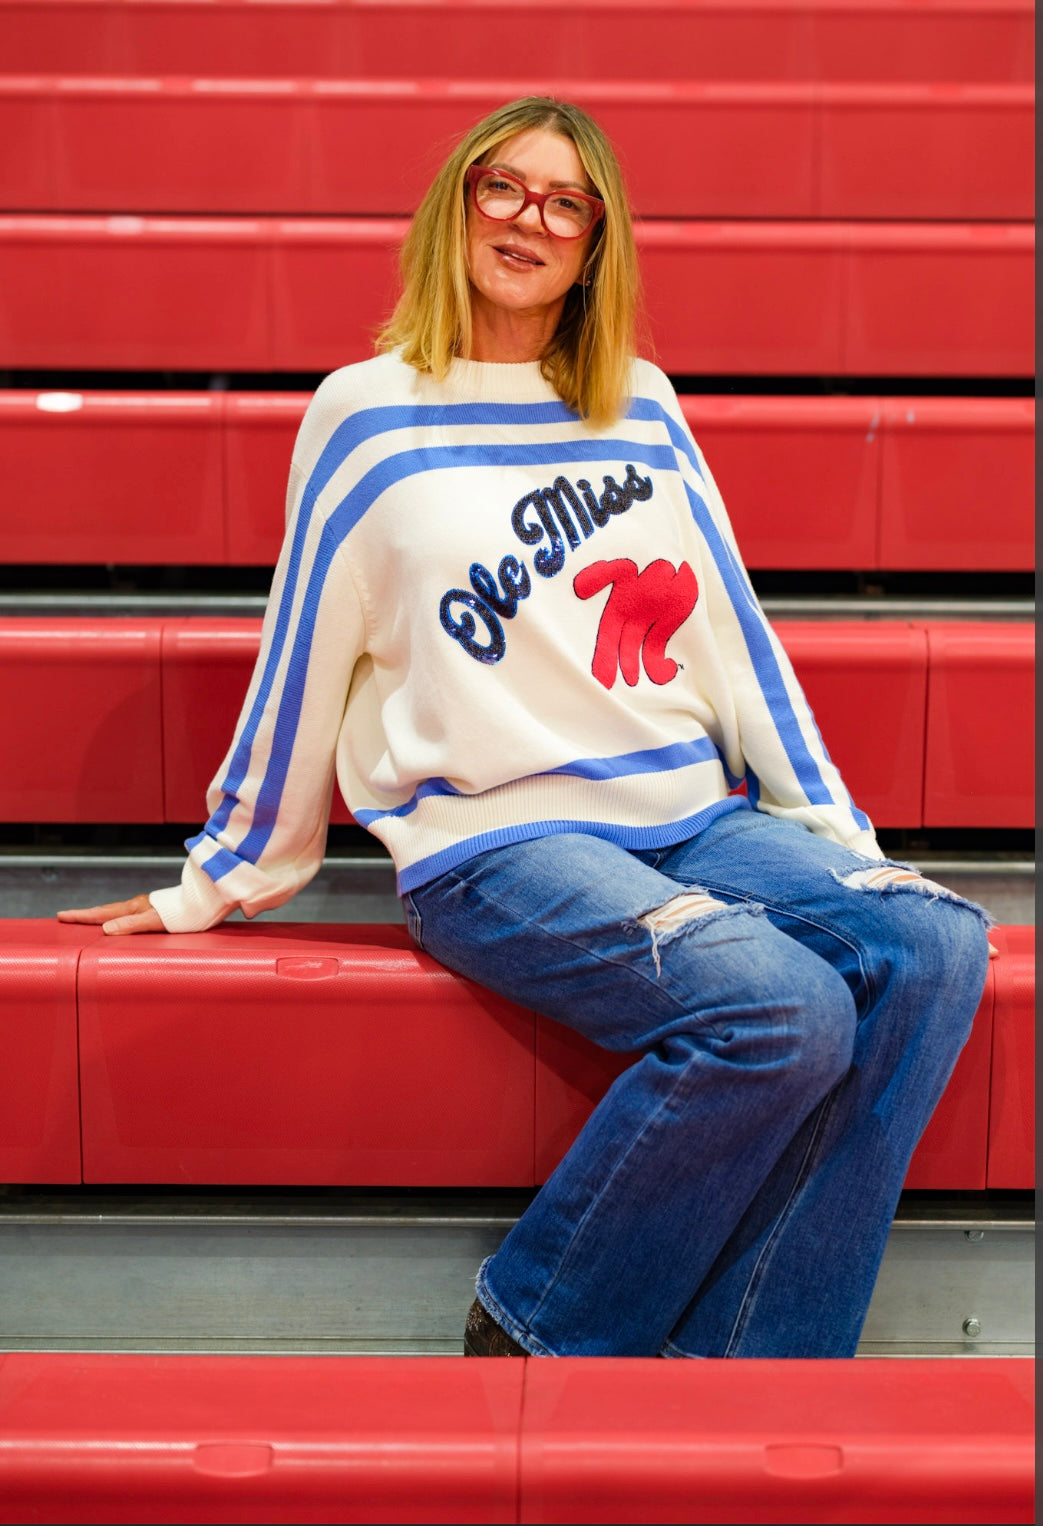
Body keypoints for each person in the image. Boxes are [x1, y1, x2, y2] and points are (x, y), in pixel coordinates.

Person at [59, 96, 993, 1360]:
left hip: (685, 813)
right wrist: (222, 871)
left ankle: (758, 1361)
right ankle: (544, 1321)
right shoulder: (364, 409)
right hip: (493, 844)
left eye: (563, 202)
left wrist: (831, 834)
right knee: (781, 1005)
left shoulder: (641, 404)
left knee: (932, 938)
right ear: (457, 204)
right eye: (502, 188)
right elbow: (304, 651)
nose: (527, 220)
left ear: (593, 243)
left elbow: (734, 637)